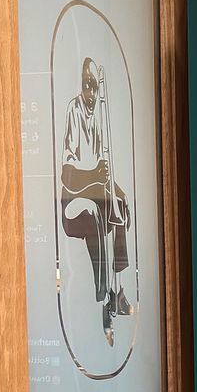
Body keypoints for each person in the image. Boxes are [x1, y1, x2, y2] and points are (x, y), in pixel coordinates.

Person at [59, 57, 133, 346]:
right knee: (94, 213)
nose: (90, 93)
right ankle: (103, 300)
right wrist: (94, 174)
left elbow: (104, 173)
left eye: (94, 87)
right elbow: (68, 175)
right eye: (86, 86)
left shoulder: (99, 117)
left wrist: (120, 193)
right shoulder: (73, 110)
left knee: (121, 207)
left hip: (94, 192)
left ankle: (118, 289)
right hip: (73, 200)